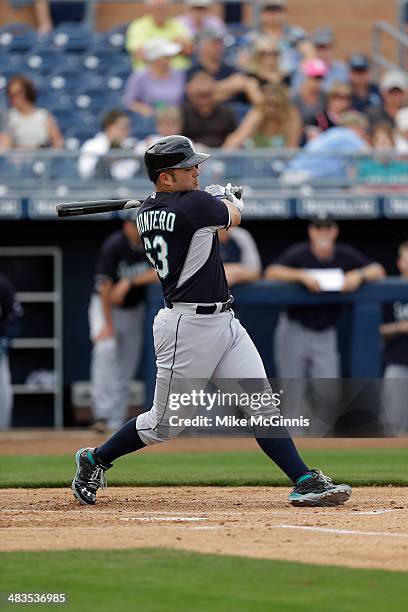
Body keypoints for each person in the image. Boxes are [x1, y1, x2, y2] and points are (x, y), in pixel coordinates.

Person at [71, 134, 352, 508]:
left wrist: (211, 198)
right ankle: (95, 459)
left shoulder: (148, 212)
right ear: (165, 177)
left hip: (224, 321)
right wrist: (230, 199)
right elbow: (232, 218)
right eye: (188, 168)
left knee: (261, 404)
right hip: (186, 328)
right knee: (164, 424)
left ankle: (303, 479)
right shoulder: (193, 206)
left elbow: (196, 215)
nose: (196, 171)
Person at [265, 217, 385, 433]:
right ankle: (294, 445)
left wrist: (358, 275)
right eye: (318, 227)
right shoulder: (300, 253)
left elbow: (378, 270)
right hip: (294, 329)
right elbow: (271, 272)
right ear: (311, 231)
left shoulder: (344, 254)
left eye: (327, 227)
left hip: (325, 333)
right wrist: (301, 275)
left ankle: (316, 441)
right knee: (292, 391)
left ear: (334, 231)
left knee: (329, 393)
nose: (322, 232)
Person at [88, 216, 157, 432]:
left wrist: (129, 281)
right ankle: (101, 413)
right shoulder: (114, 245)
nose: (137, 228)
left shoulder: (151, 242)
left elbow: (159, 272)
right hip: (105, 307)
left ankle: (115, 421)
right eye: (134, 224)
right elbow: (105, 287)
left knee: (127, 366)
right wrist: (107, 324)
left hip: (134, 311)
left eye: (140, 223)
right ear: (126, 226)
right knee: (105, 350)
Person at [281, 111, 369, 184]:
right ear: (354, 127)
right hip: (301, 177)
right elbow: (369, 153)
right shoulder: (346, 134)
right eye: (362, 130)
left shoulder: (334, 134)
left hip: (298, 176)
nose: (363, 134)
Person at [381, 241, 408, 435]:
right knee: (394, 427)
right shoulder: (388, 290)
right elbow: (374, 329)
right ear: (400, 262)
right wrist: (400, 327)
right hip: (398, 362)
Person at [223, 82, 302, 149]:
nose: (271, 110)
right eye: (268, 104)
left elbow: (292, 150)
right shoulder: (257, 113)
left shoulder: (292, 116)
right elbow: (238, 138)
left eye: (276, 106)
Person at [123, 39, 185, 117]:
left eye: (170, 57)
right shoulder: (139, 76)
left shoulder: (179, 75)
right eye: (166, 57)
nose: (169, 60)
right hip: (148, 122)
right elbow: (129, 102)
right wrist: (147, 110)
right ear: (155, 58)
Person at [125, 0, 192, 71]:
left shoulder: (178, 24)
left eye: (164, 7)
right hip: (149, 74)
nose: (161, 11)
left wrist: (153, 49)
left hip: (180, 72)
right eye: (157, 8)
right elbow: (140, 53)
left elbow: (189, 50)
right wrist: (171, 45)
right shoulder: (138, 26)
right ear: (149, 9)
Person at [2, 75, 63, 149]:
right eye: (10, 95)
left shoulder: (43, 115)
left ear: (27, 93)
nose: (12, 98)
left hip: (42, 159)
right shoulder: (9, 117)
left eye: (16, 94)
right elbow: (5, 144)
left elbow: (58, 142)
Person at [78, 110, 139, 181]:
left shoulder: (131, 143)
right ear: (109, 127)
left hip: (129, 189)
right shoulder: (92, 145)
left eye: (128, 127)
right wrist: (107, 160)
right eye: (123, 128)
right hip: (99, 189)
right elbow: (86, 172)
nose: (127, 131)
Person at [181, 71, 237, 148]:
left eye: (207, 95)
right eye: (199, 95)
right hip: (190, 156)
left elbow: (232, 137)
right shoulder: (182, 113)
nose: (203, 101)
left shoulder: (226, 113)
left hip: (221, 156)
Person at [292, 27, 349, 92]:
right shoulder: (303, 69)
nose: (326, 51)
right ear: (314, 48)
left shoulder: (342, 69)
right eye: (321, 47)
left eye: (329, 46)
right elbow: (297, 94)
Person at [0, 274, 22, 429]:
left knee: (3, 387)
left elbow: (14, 318)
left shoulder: (2, 285)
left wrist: (4, 343)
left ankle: (3, 431)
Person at [292, 58, 328, 131]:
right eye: (315, 78)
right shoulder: (294, 97)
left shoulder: (324, 96)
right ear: (306, 77)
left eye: (320, 78)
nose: (318, 82)